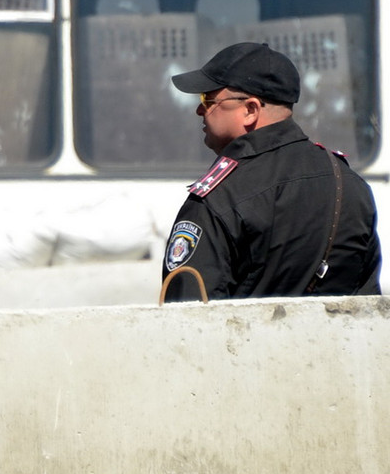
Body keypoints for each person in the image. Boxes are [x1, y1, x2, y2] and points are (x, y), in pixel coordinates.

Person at [161, 41, 381, 301]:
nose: (200, 110)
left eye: (208, 100)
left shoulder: (220, 196)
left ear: (250, 110)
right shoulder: (350, 184)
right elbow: (368, 304)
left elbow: (186, 311)